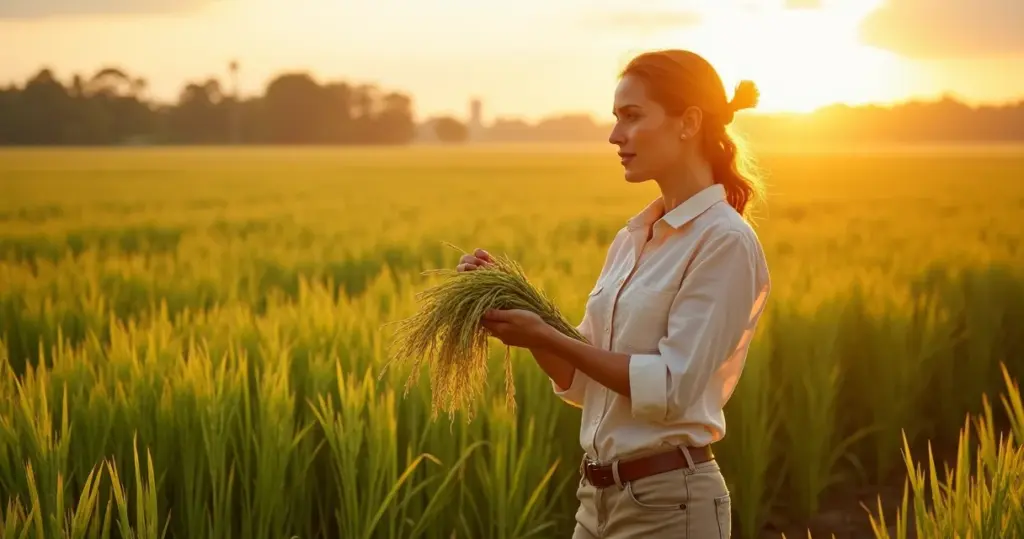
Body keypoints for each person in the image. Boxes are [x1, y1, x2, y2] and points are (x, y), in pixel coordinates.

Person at [456, 49, 771, 539]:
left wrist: (546, 334)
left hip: (671, 508)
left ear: (689, 123)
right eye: (616, 117)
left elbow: (670, 387)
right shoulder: (632, 239)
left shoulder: (724, 241)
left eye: (632, 116)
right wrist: (516, 307)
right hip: (595, 501)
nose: (614, 135)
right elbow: (583, 383)